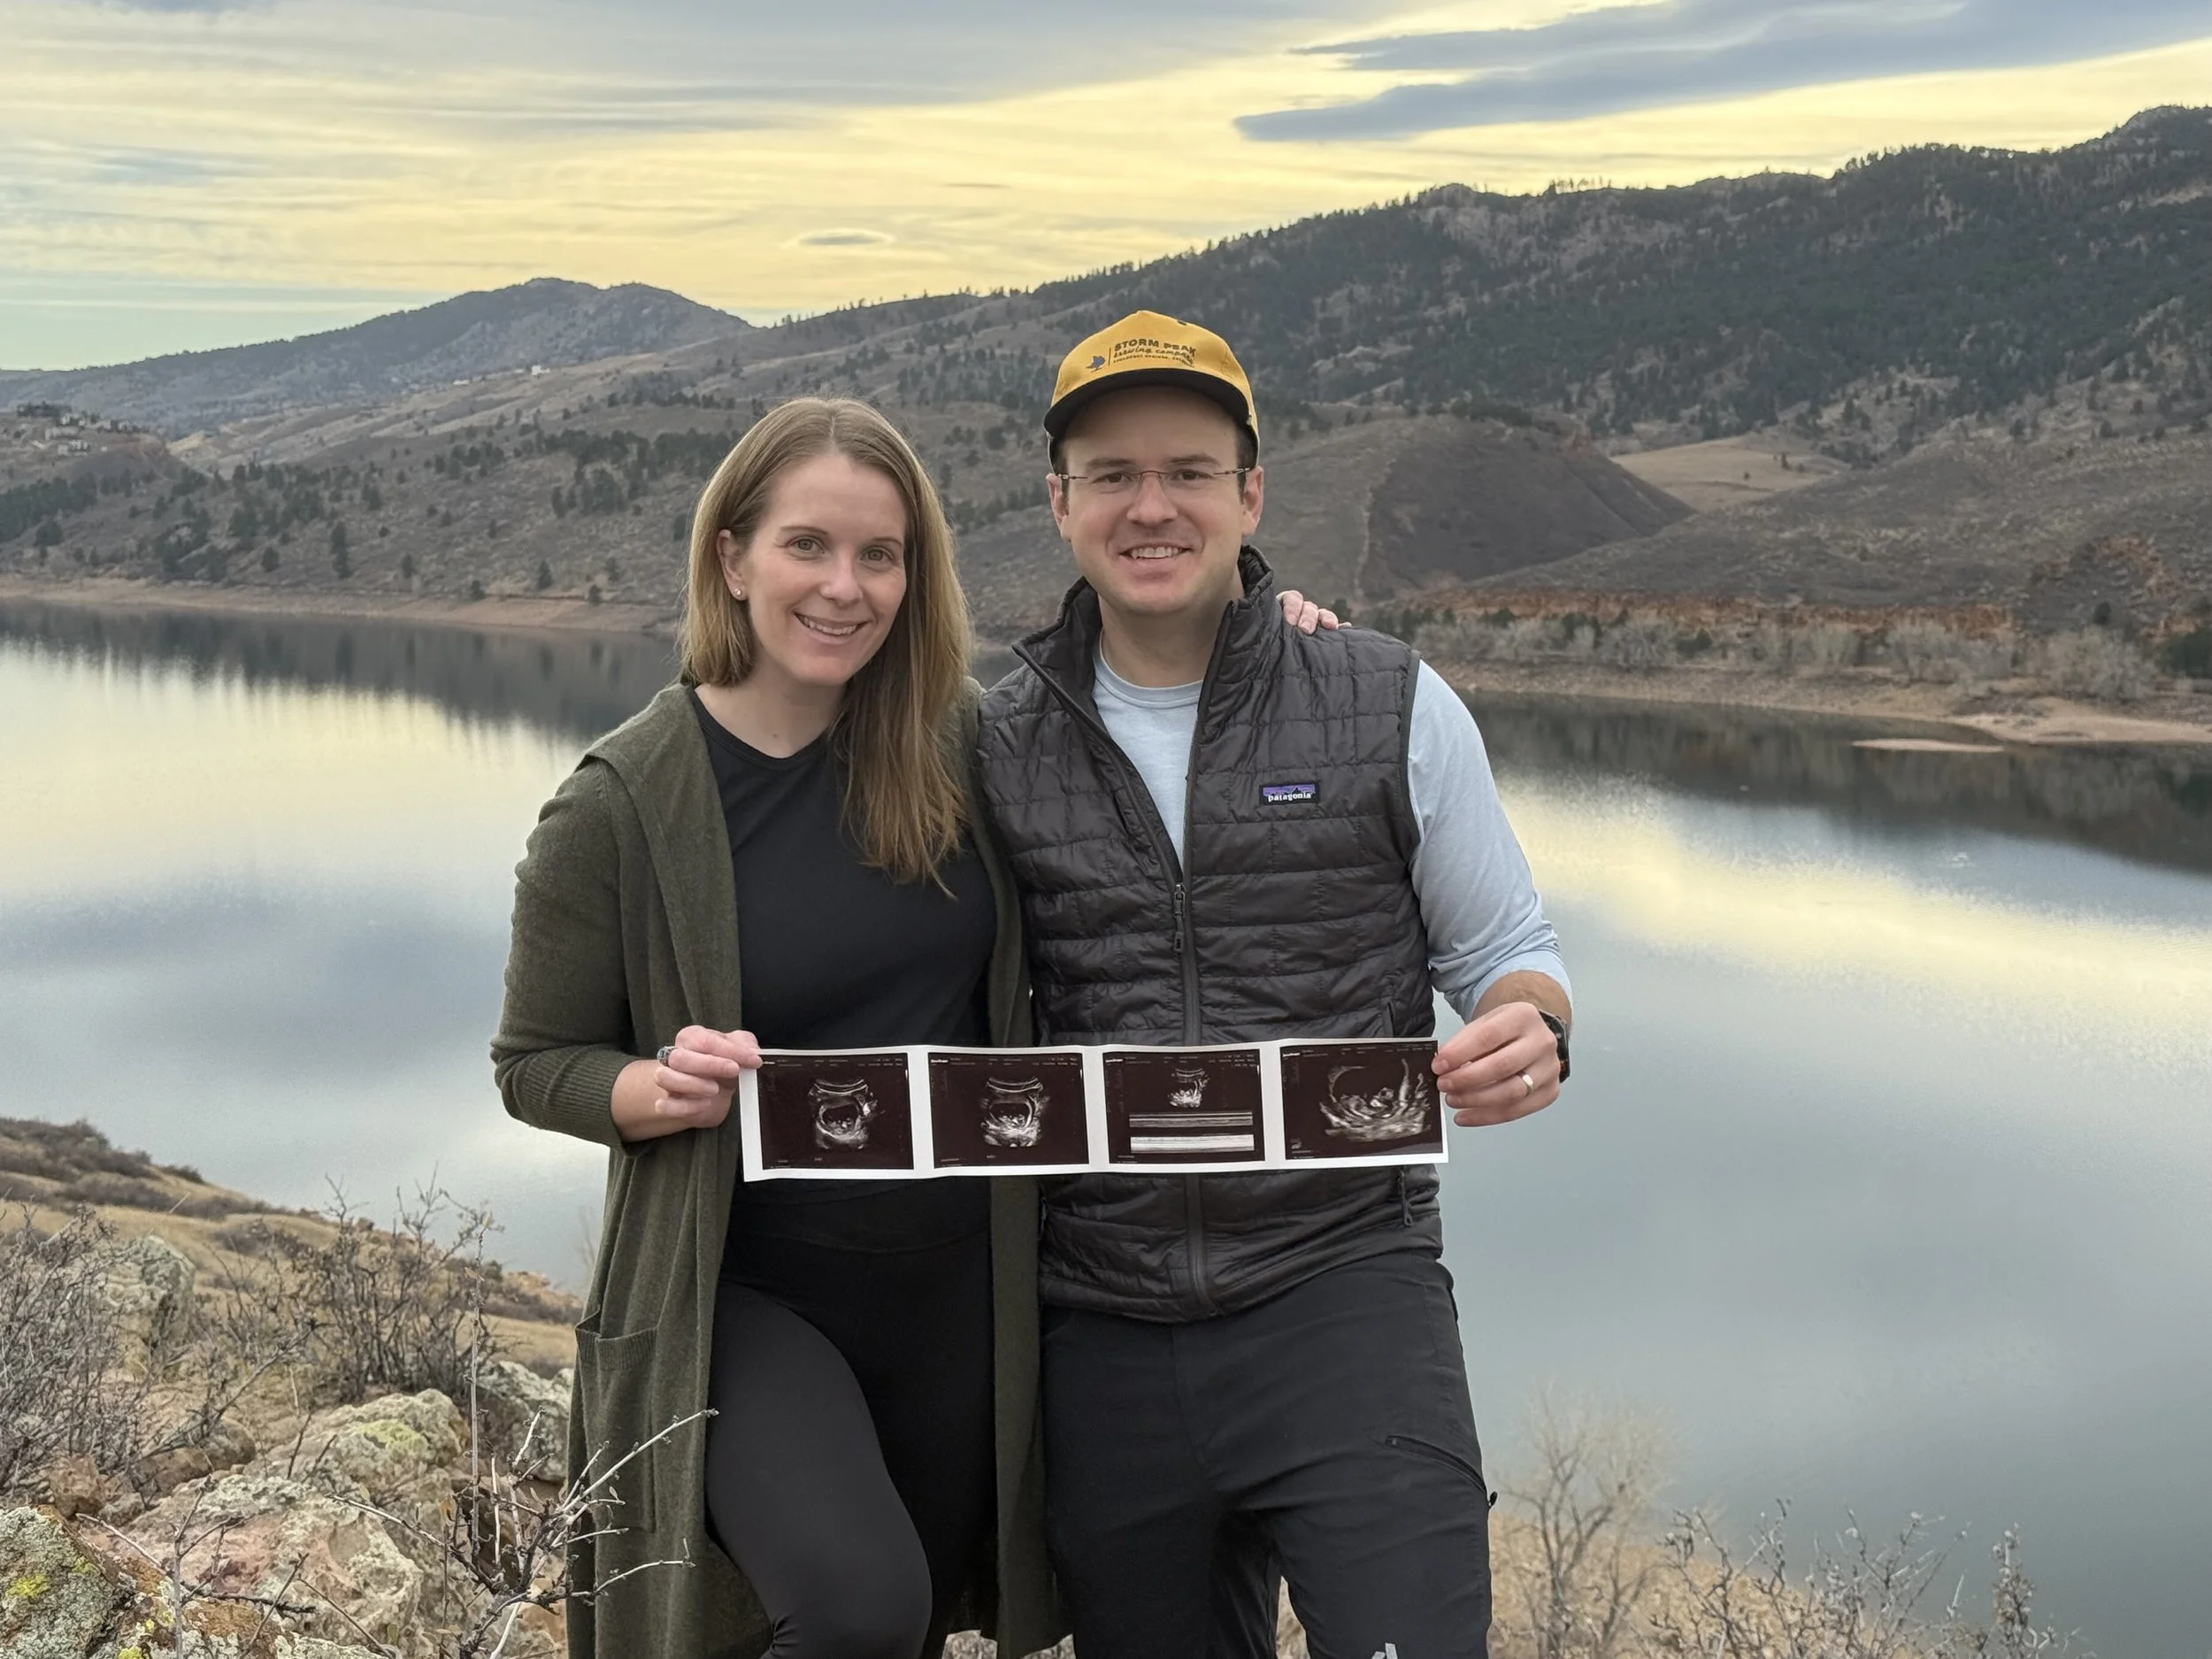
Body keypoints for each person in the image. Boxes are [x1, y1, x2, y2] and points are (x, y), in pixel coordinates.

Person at [492, 394, 1331, 1659]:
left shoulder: (958, 747)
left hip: (962, 1296)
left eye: (879, 555)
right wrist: (644, 1089)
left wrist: (1268, 647)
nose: (844, 587)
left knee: (925, 1616)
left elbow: (1151, 733)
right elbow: (533, 1060)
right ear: (732, 557)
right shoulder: (618, 805)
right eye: (807, 547)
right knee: (856, 1611)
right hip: (749, 1292)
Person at [975, 312, 1575, 1659]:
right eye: (1113, 474)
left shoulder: (1387, 698)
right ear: (1057, 500)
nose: (1152, 506)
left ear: (1250, 494)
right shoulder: (988, 743)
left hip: (1345, 1293)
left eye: (1189, 470)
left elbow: (1507, 951)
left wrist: (1532, 1028)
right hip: (1102, 1328)